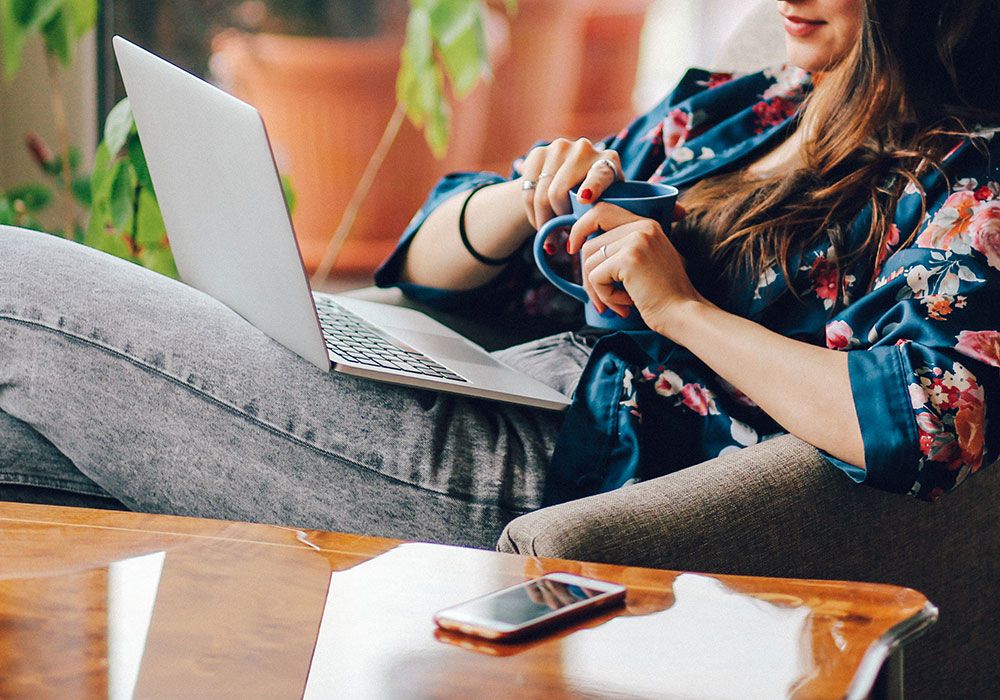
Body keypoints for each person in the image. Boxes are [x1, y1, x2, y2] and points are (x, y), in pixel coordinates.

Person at [0, 0, 997, 548]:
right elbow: (432, 269)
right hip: (498, 384)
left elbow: (932, 419)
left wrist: (681, 308)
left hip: (560, 471)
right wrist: (527, 200)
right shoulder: (742, 107)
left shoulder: (961, 180)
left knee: (13, 281)